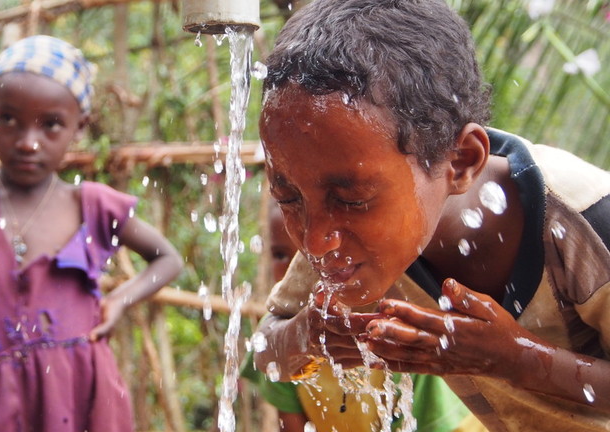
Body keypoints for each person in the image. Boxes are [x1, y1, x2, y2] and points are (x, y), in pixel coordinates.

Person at [252, 1, 610, 431]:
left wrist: (516, 359)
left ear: (460, 162)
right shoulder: (342, 236)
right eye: (287, 196)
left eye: (351, 199)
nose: (313, 241)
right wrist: (306, 338)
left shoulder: (585, 221)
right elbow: (266, 348)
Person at [0, 35, 183, 432]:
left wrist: (120, 301)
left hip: (77, 396)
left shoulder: (91, 207)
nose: (27, 142)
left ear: (79, 126)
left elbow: (168, 259)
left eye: (51, 124)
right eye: (8, 120)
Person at [242, 200, 484, 432]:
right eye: (281, 255)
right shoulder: (282, 344)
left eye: (302, 260)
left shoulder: (403, 336)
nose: (310, 268)